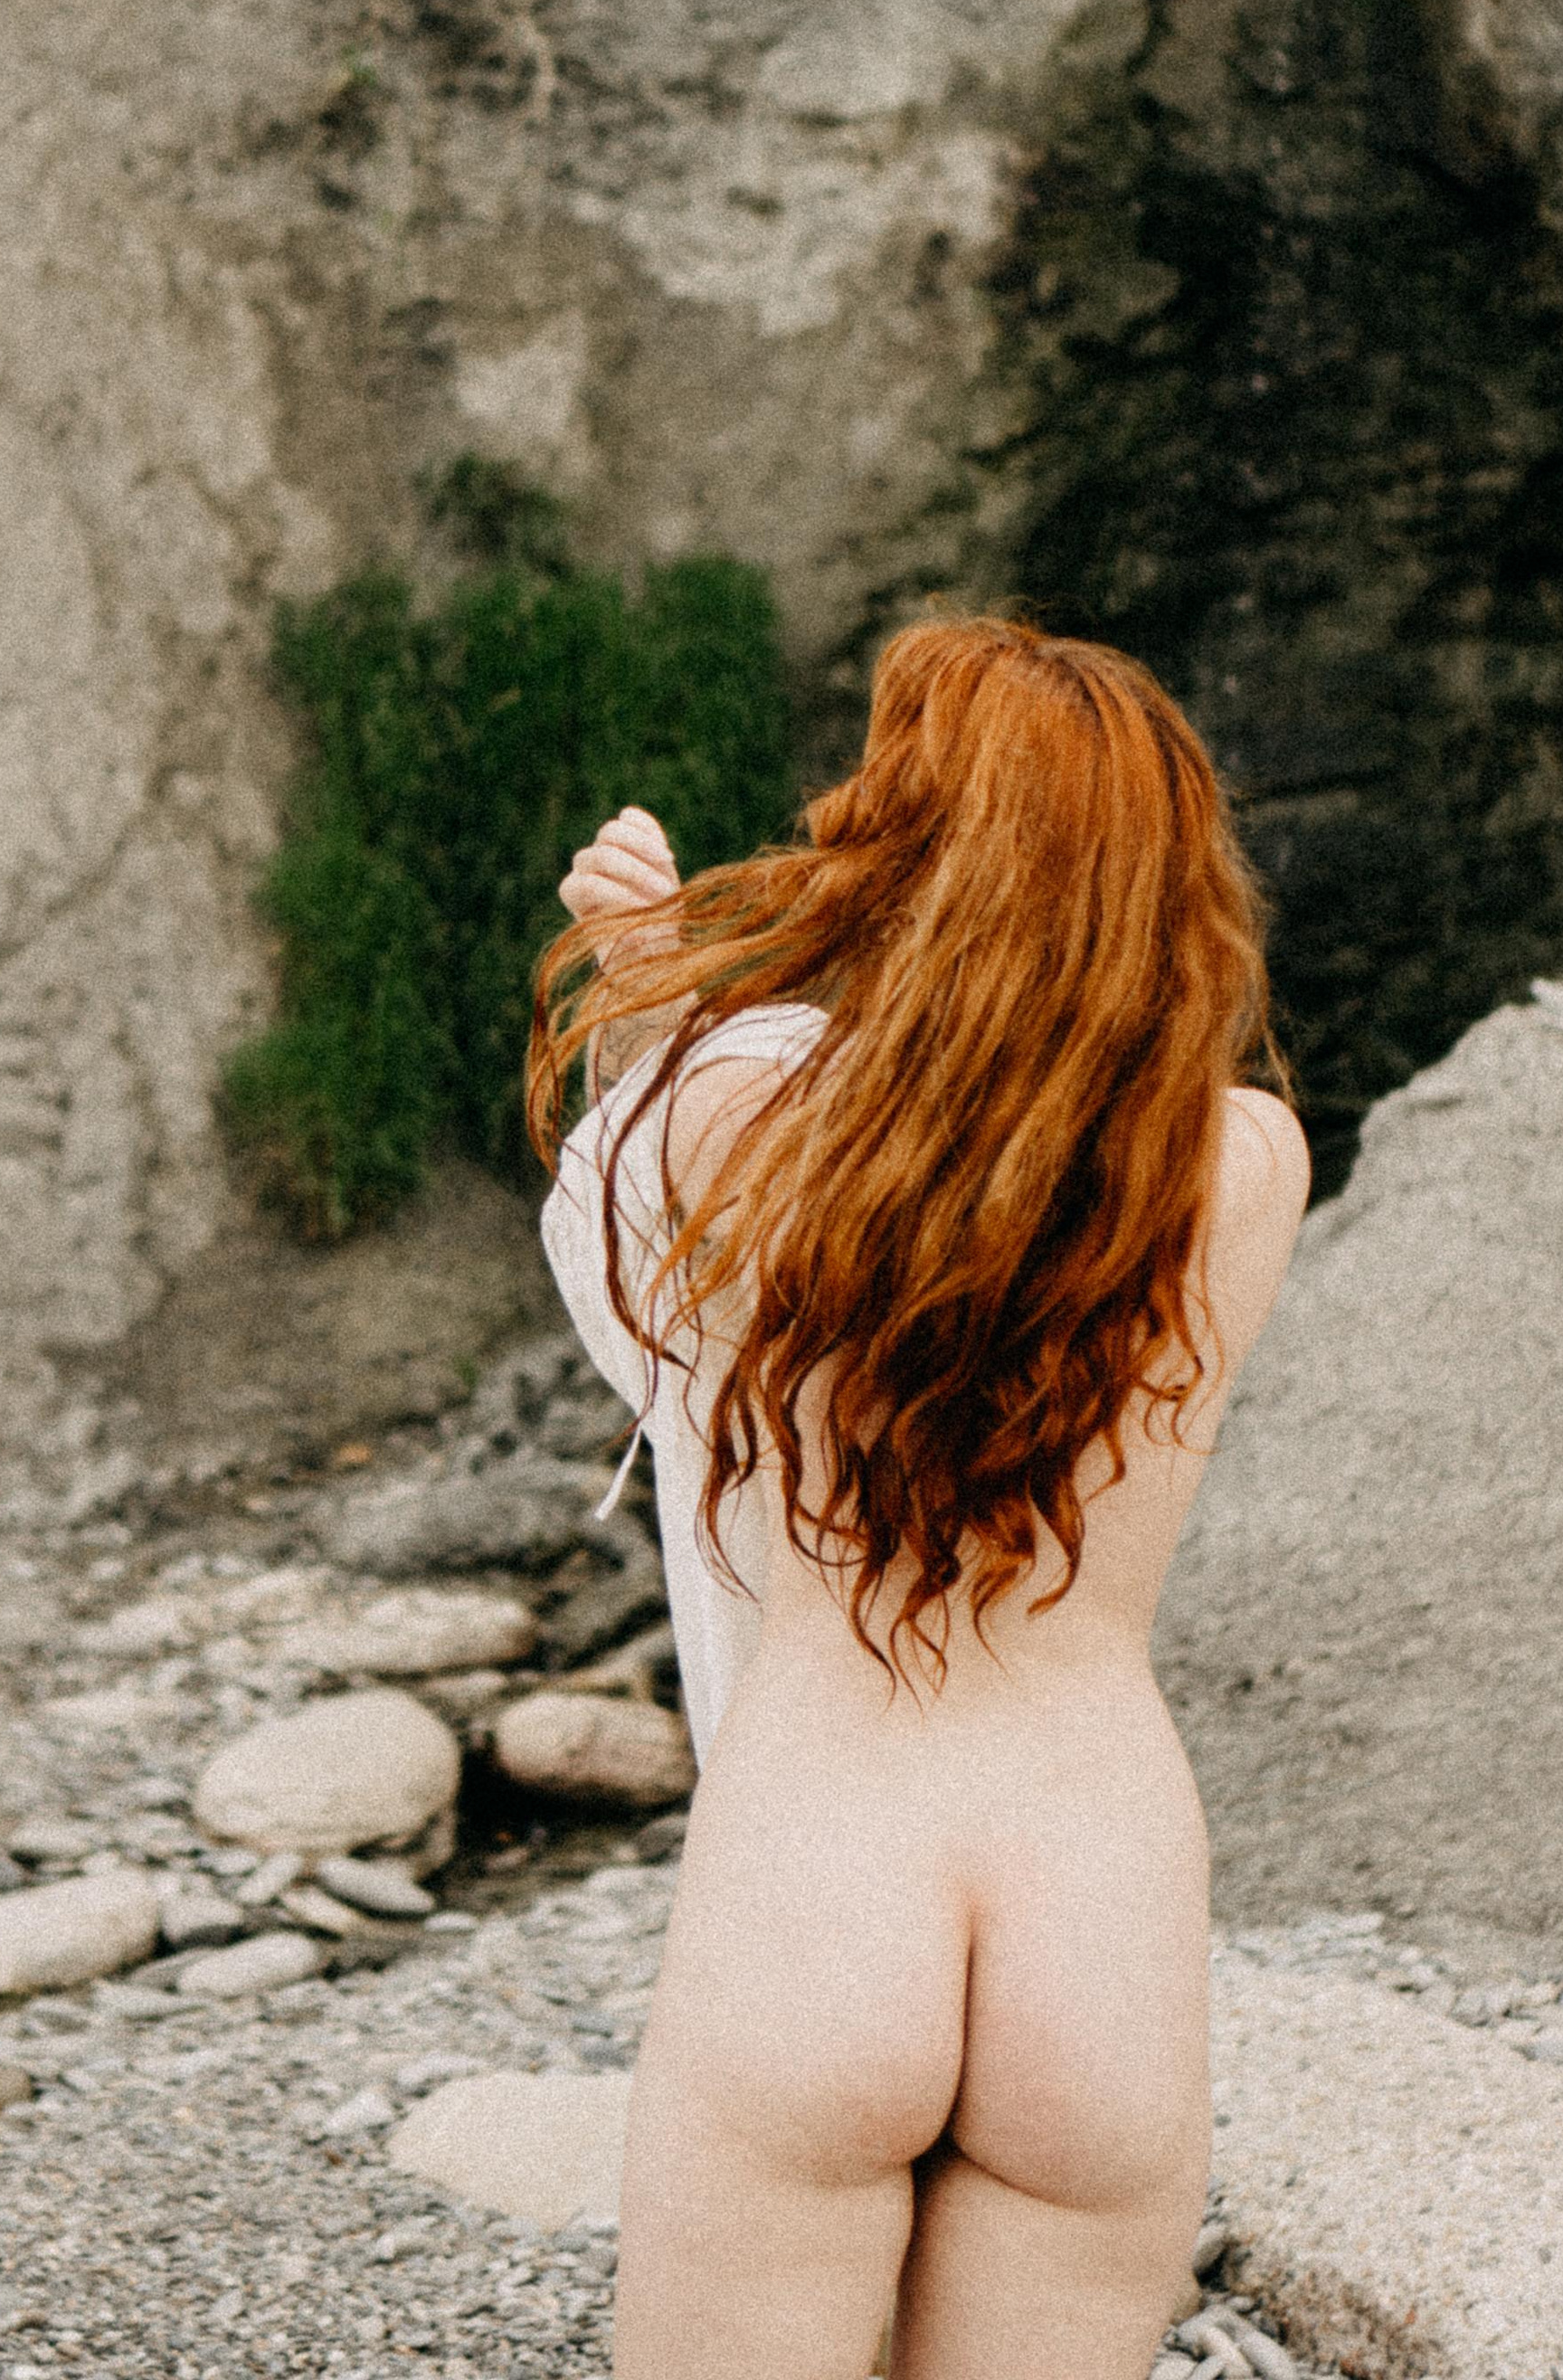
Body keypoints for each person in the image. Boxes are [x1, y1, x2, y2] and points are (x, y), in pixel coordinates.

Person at [526, 616, 1309, 2380]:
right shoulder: (1247, 1162)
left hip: (832, 1859)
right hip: (1096, 1886)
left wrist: (649, 990)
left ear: (906, 858)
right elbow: (1028, 1191)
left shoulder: (739, 1113)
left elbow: (636, 1294)